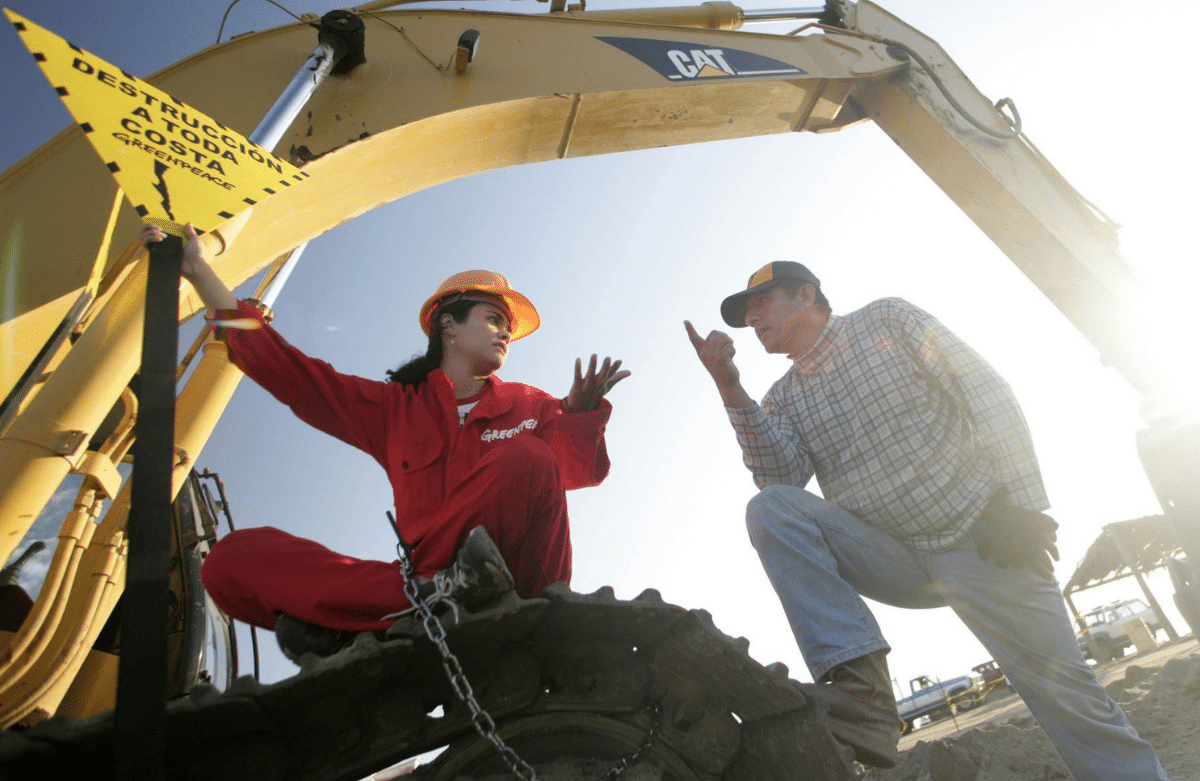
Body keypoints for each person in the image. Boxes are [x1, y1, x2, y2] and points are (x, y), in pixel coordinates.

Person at [684, 261, 1169, 780]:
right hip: (894, 558)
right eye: (746, 316)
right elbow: (779, 477)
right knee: (771, 509)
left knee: (1073, 702)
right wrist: (729, 387)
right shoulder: (782, 397)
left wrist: (1023, 506)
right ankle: (861, 694)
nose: (752, 319)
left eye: (761, 304)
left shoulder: (888, 320)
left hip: (986, 540)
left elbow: (983, 390)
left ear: (806, 294)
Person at [143, 223, 629, 662]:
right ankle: (370, 626)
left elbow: (572, 473)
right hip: (427, 589)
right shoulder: (397, 409)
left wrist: (580, 415)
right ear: (449, 325)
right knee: (231, 560)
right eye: (492, 317)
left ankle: (408, 610)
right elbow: (294, 375)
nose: (505, 331)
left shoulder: (530, 404)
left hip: (523, 588)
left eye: (507, 326)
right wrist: (199, 273)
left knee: (528, 457)